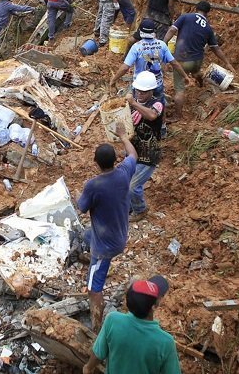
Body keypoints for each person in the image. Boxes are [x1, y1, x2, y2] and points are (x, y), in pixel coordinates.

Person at [77, 127, 137, 331]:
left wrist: (80, 193)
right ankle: (88, 254)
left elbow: (82, 207)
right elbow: (133, 154)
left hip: (106, 247)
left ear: (95, 163)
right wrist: (122, 136)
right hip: (120, 233)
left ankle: (96, 327)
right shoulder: (123, 173)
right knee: (85, 234)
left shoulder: (93, 185)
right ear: (115, 160)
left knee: (94, 288)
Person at [83, 276, 180, 374]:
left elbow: (98, 354)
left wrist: (88, 367)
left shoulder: (113, 320)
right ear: (155, 305)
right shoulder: (165, 342)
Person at [164, 1, 235, 120]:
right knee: (195, 71)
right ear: (207, 13)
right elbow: (215, 48)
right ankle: (200, 81)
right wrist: (227, 63)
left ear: (196, 8)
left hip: (182, 60)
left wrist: (164, 42)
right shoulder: (208, 28)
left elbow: (172, 30)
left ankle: (177, 116)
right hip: (197, 60)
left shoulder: (185, 17)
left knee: (179, 89)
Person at [109, 19, 190, 104]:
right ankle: (162, 117)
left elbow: (125, 67)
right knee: (159, 105)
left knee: (138, 107)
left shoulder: (137, 47)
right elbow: (174, 63)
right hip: (157, 83)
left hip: (141, 87)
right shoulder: (162, 45)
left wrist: (113, 80)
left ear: (140, 31)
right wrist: (185, 76)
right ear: (154, 31)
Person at [126, 72, 165, 219]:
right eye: (138, 91)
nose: (140, 94)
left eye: (144, 91)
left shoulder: (157, 103)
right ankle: (129, 207)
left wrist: (134, 103)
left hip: (148, 153)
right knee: (125, 182)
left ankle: (140, 210)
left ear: (151, 91)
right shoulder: (132, 102)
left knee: (133, 186)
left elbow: (152, 115)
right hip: (132, 151)